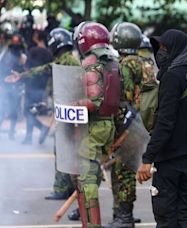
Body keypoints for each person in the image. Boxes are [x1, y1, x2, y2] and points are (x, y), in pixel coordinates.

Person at [137, 29, 187, 227]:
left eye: (165, 48)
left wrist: (148, 158)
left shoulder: (172, 77)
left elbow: (165, 122)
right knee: (186, 213)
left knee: (166, 216)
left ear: (175, 49)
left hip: (171, 159)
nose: (161, 52)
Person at [5, 27, 81, 201]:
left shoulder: (69, 61)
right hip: (66, 111)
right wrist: (22, 76)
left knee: (65, 150)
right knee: (63, 150)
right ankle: (65, 187)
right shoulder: (64, 60)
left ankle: (65, 188)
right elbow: (46, 69)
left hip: (70, 113)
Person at [73, 21, 120, 228]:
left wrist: (72, 105)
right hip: (108, 125)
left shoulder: (91, 63)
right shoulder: (112, 61)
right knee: (91, 175)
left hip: (93, 127)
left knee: (86, 181)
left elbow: (94, 101)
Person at [107, 21, 147, 228]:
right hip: (142, 123)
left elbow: (127, 100)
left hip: (129, 125)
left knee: (122, 172)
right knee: (127, 170)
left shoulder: (124, 65)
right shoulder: (144, 62)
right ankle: (121, 214)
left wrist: (119, 132)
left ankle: (124, 217)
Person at [22, 30, 53, 145]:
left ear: (36, 37)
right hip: (42, 87)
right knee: (32, 111)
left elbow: (27, 68)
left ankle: (39, 130)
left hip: (31, 86)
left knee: (27, 112)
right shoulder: (49, 53)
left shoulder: (33, 51)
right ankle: (29, 137)